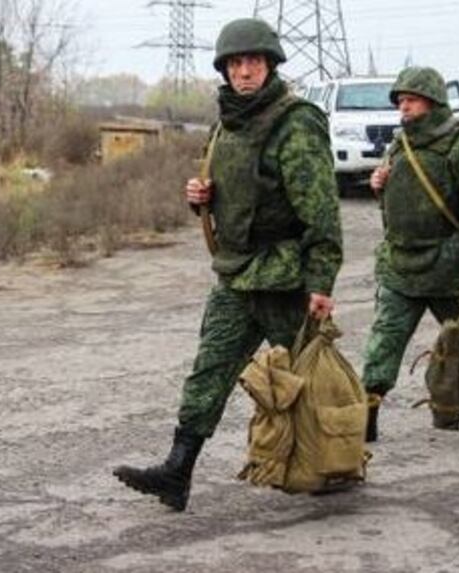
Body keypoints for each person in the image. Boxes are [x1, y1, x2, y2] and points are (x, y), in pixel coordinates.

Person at [112, 17, 342, 511]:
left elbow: (322, 212)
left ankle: (340, 458)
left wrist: (321, 280)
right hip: (237, 274)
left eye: (253, 61)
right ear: (224, 70)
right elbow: (227, 188)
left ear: (270, 64)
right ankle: (178, 470)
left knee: (310, 377)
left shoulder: (295, 122)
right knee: (209, 370)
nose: (244, 71)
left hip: (286, 276)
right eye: (235, 63)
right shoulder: (225, 124)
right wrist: (202, 197)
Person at [362, 67, 459, 441]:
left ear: (433, 101)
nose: (403, 108)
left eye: (410, 100)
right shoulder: (400, 143)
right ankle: (368, 413)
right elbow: (403, 196)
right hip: (400, 266)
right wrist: (381, 184)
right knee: (383, 343)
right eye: (400, 101)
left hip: (450, 266)